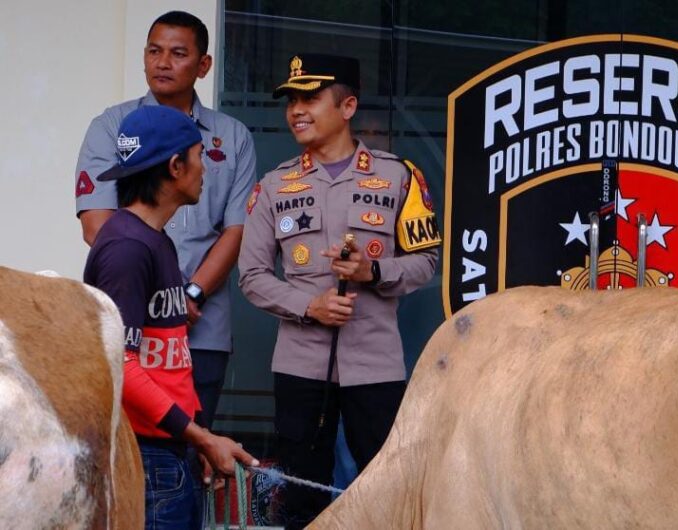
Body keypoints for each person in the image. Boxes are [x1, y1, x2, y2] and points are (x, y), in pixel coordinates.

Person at [238, 53, 441, 528]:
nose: (296, 111)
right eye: (290, 101)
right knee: (301, 496)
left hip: (376, 366)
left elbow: (426, 261)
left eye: (309, 98)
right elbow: (251, 275)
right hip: (299, 368)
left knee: (386, 491)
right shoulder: (273, 186)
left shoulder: (399, 177)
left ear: (347, 106)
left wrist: (374, 272)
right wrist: (309, 305)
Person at [75, 10, 257, 429]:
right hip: (131, 315)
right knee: (129, 445)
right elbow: (97, 226)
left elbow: (236, 229)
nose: (162, 62)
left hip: (204, 321)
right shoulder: (111, 127)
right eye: (154, 51)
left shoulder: (231, 136)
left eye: (178, 53)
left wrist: (190, 294)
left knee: (195, 447)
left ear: (204, 65)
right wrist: (166, 290)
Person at [83, 105, 258, 528]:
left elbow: (172, 355)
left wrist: (194, 435)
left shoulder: (154, 240)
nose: (205, 170)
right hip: (146, 455)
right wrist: (200, 436)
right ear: (176, 166)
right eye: (199, 157)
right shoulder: (126, 249)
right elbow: (120, 365)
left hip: (170, 449)